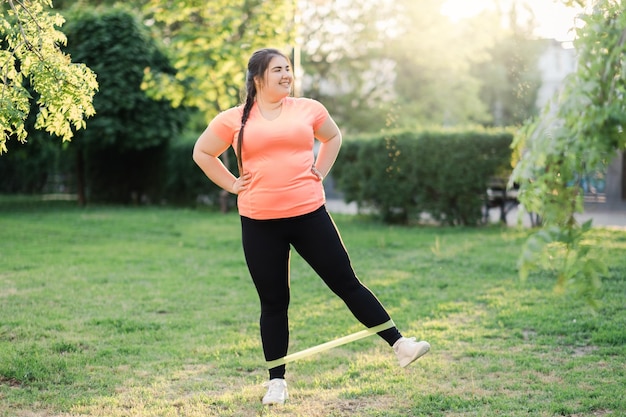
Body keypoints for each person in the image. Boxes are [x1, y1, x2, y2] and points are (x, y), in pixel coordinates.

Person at [192, 48, 430, 405]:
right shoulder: (233, 119)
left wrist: (321, 169)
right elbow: (202, 152)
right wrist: (231, 184)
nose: (287, 75)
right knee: (274, 303)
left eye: (288, 68)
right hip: (260, 223)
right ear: (258, 78)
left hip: (309, 214)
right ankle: (276, 382)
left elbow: (332, 137)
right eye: (278, 70)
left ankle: (400, 345)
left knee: (347, 283)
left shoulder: (308, 109)